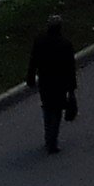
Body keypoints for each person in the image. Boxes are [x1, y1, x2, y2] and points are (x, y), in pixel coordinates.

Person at [30, 15, 81, 154]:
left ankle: (48, 137)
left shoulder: (40, 42)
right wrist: (71, 89)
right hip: (60, 83)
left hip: (45, 81)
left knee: (47, 108)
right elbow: (70, 68)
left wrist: (30, 78)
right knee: (57, 110)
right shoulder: (65, 44)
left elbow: (33, 61)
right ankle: (52, 140)